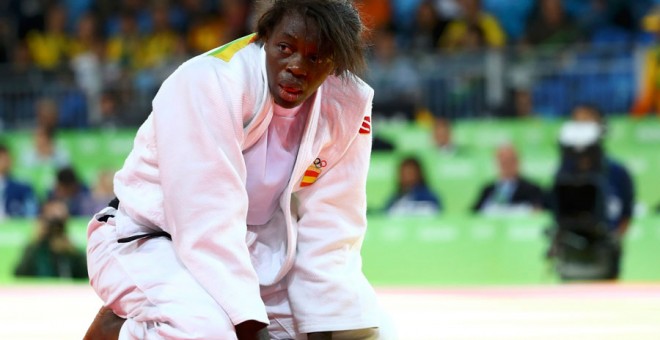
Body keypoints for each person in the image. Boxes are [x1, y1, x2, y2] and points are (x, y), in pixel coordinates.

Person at [84, 1, 392, 339]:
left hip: (248, 249)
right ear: (264, 36)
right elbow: (206, 217)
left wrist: (325, 326)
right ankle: (123, 331)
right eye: (285, 48)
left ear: (334, 63)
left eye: (315, 57)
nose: (296, 67)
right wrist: (248, 323)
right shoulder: (210, 81)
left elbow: (333, 224)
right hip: (145, 236)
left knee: (363, 330)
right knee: (209, 331)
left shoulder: (346, 104)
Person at [566, 104, 635, 279]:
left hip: (605, 255)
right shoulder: (565, 172)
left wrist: (610, 242)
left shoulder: (617, 172)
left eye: (587, 122)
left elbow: (626, 214)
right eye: (577, 122)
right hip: (570, 254)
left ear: (600, 127)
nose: (582, 128)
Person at [14, 198, 88, 279]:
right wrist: (37, 240)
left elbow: (86, 274)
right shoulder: (34, 249)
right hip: (39, 289)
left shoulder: (70, 251)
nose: (54, 228)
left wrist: (70, 251)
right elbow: (19, 274)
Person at [472, 143, 545, 215]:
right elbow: (473, 213)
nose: (506, 165)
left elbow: (539, 210)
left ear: (517, 162)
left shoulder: (532, 189)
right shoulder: (488, 189)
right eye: (503, 161)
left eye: (509, 161)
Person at [0, 143, 38, 219]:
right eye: (2, 158)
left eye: (6, 158)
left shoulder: (23, 187)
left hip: (14, 227)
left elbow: (32, 212)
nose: (5, 161)